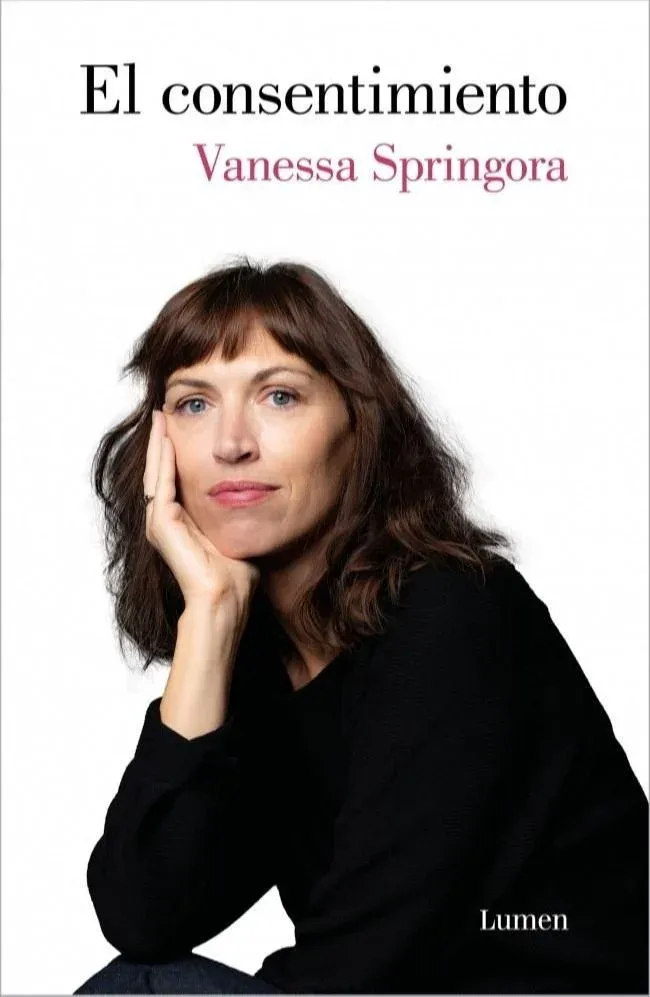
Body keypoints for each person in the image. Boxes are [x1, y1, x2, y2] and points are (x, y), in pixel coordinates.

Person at [74, 258, 648, 995]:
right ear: (160, 448)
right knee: (141, 980)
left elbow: (367, 964)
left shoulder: (451, 613)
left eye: (280, 396)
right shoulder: (263, 666)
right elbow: (144, 918)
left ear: (358, 426)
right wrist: (208, 620)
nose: (230, 443)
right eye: (193, 404)